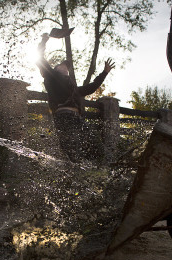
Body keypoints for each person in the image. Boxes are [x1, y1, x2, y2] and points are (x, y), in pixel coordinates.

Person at [37, 33, 115, 163]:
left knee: (94, 143)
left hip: (77, 119)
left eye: (67, 68)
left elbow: (92, 86)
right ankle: (72, 170)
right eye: (63, 66)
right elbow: (39, 58)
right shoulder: (51, 77)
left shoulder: (75, 90)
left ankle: (93, 169)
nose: (66, 68)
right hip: (63, 118)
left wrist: (105, 72)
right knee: (71, 150)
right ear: (55, 69)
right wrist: (44, 40)